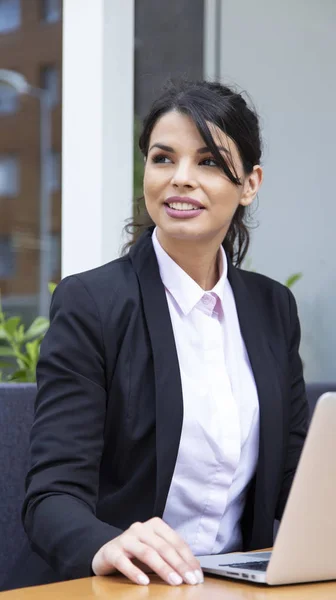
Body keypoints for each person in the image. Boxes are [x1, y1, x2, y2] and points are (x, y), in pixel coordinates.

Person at [3, 79, 309, 591]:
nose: (180, 179)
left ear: (250, 183)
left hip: (233, 586)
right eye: (163, 158)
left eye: (208, 161)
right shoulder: (93, 304)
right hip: (120, 587)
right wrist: (107, 543)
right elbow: (51, 499)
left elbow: (295, 486)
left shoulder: (272, 308)